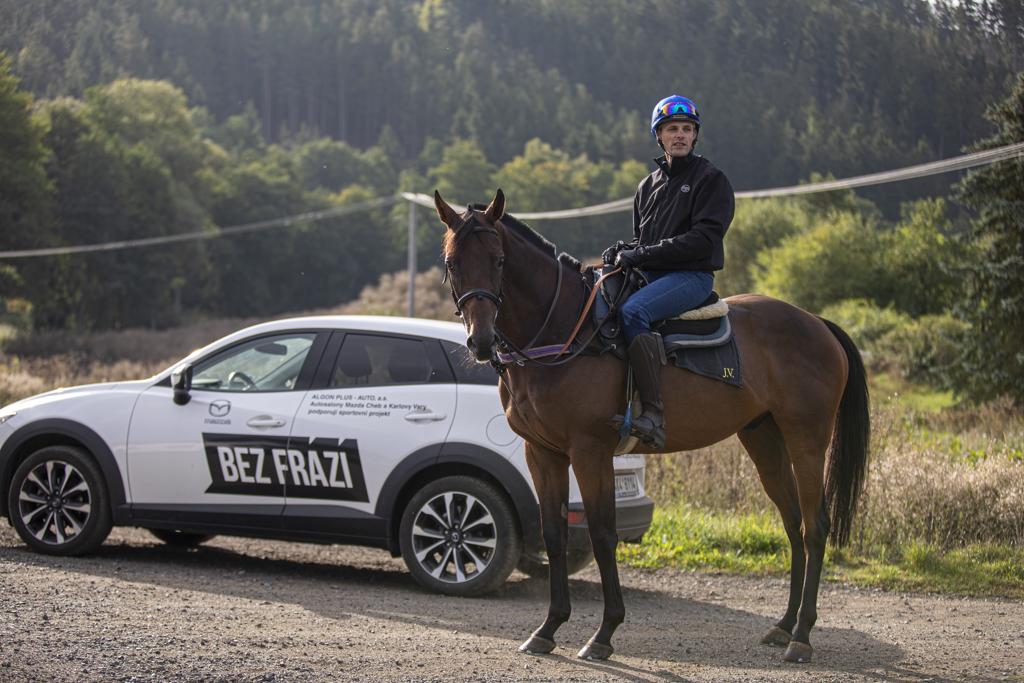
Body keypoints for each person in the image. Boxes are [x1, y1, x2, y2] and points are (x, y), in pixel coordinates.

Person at [602, 94, 735, 448]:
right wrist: (624, 251)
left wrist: (641, 253)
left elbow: (703, 241)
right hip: (653, 275)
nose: (680, 135)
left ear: (695, 136)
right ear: (658, 136)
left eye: (687, 129)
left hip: (691, 276)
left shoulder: (711, 180)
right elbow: (641, 240)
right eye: (671, 129)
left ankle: (653, 413)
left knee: (634, 311)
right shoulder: (647, 186)